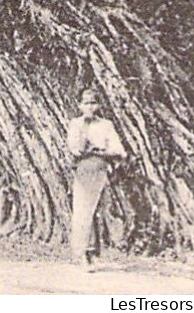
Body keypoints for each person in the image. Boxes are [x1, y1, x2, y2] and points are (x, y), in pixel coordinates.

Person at [67, 87, 127, 266]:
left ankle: (94, 251)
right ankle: (83, 252)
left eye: (93, 103)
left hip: (101, 170)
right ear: (80, 105)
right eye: (86, 103)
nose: (90, 107)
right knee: (83, 211)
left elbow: (118, 150)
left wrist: (102, 151)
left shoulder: (106, 125)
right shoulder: (75, 124)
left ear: (99, 105)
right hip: (84, 169)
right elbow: (74, 148)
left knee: (98, 211)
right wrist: (84, 147)